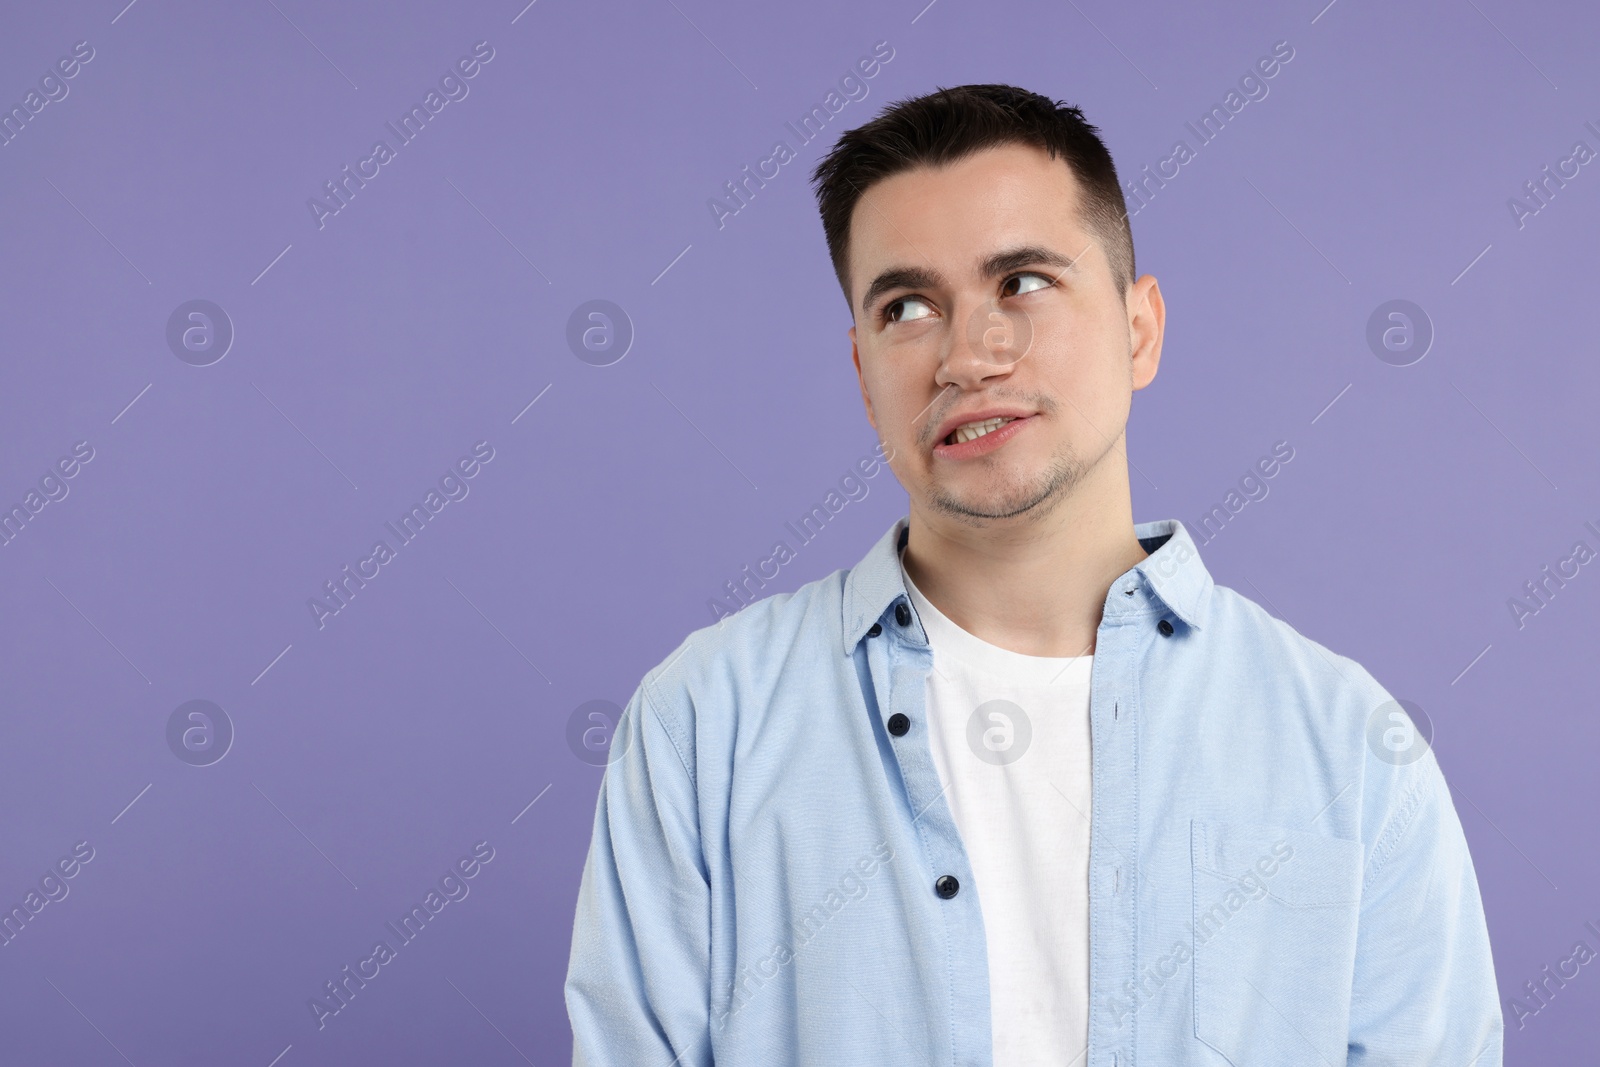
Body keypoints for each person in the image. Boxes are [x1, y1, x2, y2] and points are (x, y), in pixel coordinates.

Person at [565, 83, 1502, 1066]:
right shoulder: (704, 724)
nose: (968, 354)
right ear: (861, 368)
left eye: (1021, 282)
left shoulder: (1352, 750)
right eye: (907, 306)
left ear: (1138, 329)